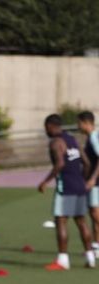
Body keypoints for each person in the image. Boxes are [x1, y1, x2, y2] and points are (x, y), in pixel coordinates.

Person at [38, 114, 94, 270]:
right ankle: (90, 257)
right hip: (80, 187)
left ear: (50, 126)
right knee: (81, 221)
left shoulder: (56, 142)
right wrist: (82, 180)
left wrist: (45, 181)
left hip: (66, 188)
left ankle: (63, 260)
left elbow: (60, 164)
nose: (45, 131)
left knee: (61, 221)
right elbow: (87, 163)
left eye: (45, 128)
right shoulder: (73, 139)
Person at [74, 111, 99, 258]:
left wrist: (92, 179)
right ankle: (96, 247)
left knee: (95, 214)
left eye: (79, 123)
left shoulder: (94, 138)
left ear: (85, 123)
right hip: (93, 181)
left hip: (95, 182)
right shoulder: (91, 138)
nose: (78, 126)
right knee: (93, 213)